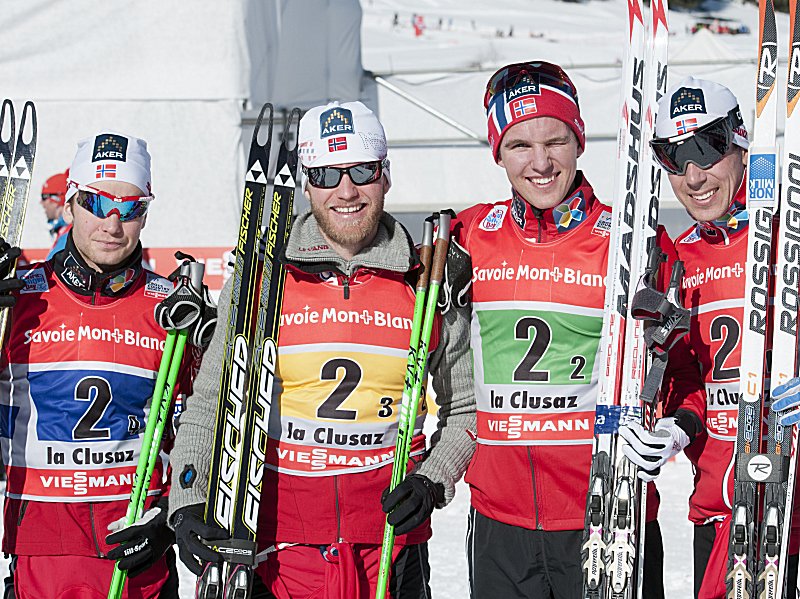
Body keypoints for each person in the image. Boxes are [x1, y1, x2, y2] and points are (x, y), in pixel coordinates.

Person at [168, 101, 476, 598]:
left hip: (390, 548)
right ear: (306, 184)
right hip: (275, 548)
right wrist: (188, 498)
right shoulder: (261, 279)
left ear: (386, 175)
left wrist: (433, 479)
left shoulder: (427, 281)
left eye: (362, 170)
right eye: (327, 174)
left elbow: (466, 408)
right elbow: (211, 401)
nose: (346, 190)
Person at [439, 60, 706, 598]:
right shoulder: (469, 237)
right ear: (498, 152)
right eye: (520, 145)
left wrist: (676, 428)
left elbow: (686, 372)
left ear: (579, 141)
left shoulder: (633, 243)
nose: (541, 163)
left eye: (556, 141)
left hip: (610, 514)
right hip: (500, 525)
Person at [0, 131, 201, 598]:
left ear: (145, 215)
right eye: (96, 202)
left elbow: (202, 428)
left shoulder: (172, 310)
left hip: (137, 559)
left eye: (130, 208)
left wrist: (171, 517)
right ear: (70, 204)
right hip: (42, 557)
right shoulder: (17, 300)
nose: (112, 224)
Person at [631, 76, 800, 598]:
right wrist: (678, 426)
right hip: (721, 509)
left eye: (706, 149)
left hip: (791, 512)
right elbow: (688, 381)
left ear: (741, 143)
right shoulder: (680, 259)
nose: (694, 175)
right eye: (675, 157)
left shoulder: (790, 238)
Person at [39, 168, 72, 259]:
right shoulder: (63, 230)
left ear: (56, 199)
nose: (41, 202)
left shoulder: (68, 236)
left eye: (44, 197)